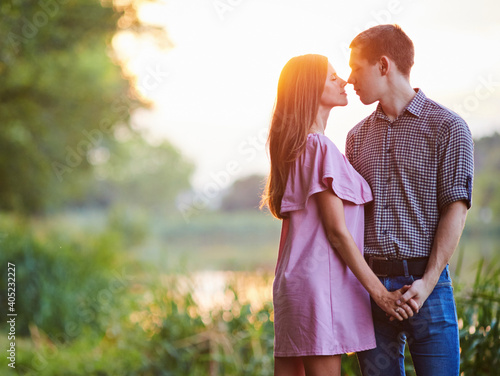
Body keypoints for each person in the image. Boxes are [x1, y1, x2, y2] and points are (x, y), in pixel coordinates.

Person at [261, 54, 414, 376]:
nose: (344, 80)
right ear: (311, 89)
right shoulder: (320, 148)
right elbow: (337, 233)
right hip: (319, 288)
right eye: (333, 77)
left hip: (295, 284)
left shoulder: (298, 148)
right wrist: (381, 294)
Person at [345, 24, 474, 376]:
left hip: (427, 288)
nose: (349, 78)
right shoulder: (355, 138)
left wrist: (427, 282)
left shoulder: (449, 127)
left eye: (357, 67)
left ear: (383, 65)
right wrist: (374, 290)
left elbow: (455, 210)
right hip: (371, 292)